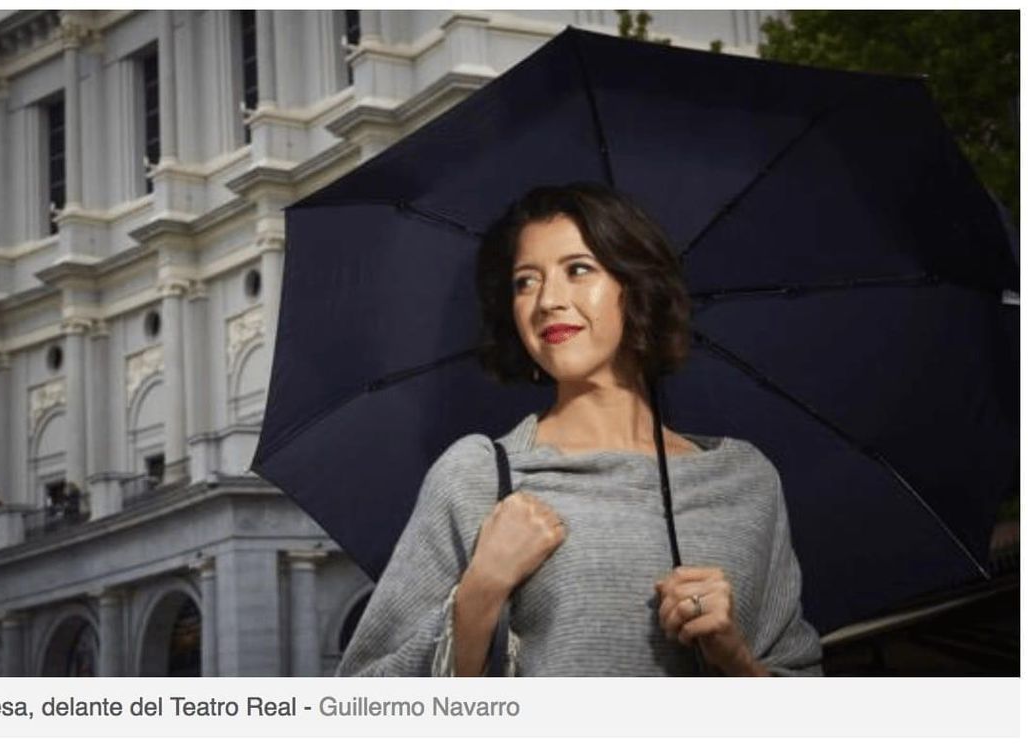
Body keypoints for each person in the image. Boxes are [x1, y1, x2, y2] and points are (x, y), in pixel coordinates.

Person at [338, 183, 822, 676]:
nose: (547, 300)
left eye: (578, 270)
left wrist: (732, 655)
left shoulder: (744, 480)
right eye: (525, 281)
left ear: (635, 288)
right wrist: (480, 592)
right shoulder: (480, 476)